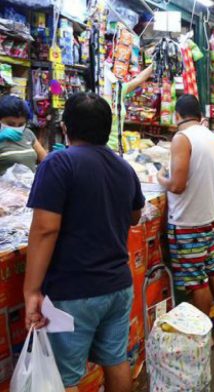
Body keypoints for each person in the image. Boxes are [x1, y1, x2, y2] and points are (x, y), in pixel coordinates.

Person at [24, 92, 144, 391]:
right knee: (116, 359)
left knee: (66, 377)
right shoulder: (124, 168)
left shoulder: (59, 163)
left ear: (66, 127)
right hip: (118, 285)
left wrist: (31, 290)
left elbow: (44, 229)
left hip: (73, 292)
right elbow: (135, 215)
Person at [156, 94, 214, 332]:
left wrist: (161, 178)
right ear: (199, 115)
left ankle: (203, 334)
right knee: (213, 271)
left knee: (196, 283)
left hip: (186, 222)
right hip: (208, 219)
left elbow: (178, 186)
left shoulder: (182, 138)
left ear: (177, 115)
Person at [105, 63, 154, 152]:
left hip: (117, 148)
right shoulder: (95, 96)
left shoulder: (118, 90)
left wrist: (155, 63)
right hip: (104, 149)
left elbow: (139, 79)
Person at [0, 95, 47, 175]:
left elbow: (45, 159)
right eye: (11, 124)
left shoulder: (28, 133)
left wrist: (57, 155)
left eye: (21, 124)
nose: (16, 127)